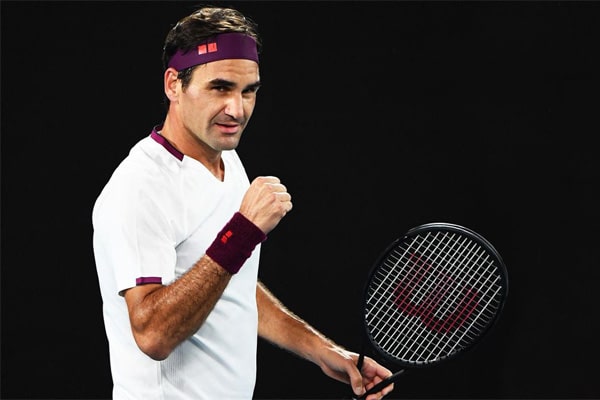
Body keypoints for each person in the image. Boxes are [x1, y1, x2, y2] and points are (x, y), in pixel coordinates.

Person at [92, 5, 394, 400]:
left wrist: (323, 351)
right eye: (220, 88)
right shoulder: (139, 187)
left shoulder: (227, 160)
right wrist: (243, 232)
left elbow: (232, 284)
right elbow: (153, 335)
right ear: (174, 85)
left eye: (248, 90)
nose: (237, 110)